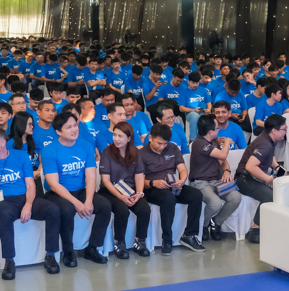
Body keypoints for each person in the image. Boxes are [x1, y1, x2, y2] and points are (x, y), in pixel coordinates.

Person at [0, 127, 62, 278]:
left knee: (53, 209)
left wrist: (28, 205)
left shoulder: (21, 156)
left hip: (25, 197)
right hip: (2, 202)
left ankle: (50, 256)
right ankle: (9, 261)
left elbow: (30, 185)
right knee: (5, 214)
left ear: (2, 143)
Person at [42, 111, 111, 266]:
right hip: (58, 193)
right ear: (58, 131)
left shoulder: (86, 146)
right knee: (67, 209)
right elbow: (53, 184)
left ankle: (92, 248)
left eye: (75, 125)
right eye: (69, 127)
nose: (74, 130)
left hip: (81, 190)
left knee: (105, 206)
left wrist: (88, 200)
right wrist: (77, 203)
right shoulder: (49, 151)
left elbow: (91, 177)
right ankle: (68, 251)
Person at [140, 123, 206, 255]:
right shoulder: (141, 154)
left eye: (165, 144)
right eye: (159, 143)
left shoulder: (172, 148)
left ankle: (189, 235)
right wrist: (153, 183)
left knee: (196, 195)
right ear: (150, 138)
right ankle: (167, 239)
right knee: (168, 198)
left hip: (172, 185)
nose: (162, 147)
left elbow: (182, 169)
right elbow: (139, 180)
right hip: (152, 188)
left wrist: (182, 180)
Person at [97, 121, 152, 259]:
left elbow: (139, 176)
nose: (116, 139)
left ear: (129, 138)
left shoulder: (136, 153)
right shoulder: (107, 153)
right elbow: (106, 181)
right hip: (110, 191)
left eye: (120, 136)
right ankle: (119, 243)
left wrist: (139, 193)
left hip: (130, 189)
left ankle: (140, 241)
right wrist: (121, 197)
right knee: (122, 210)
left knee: (145, 208)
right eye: (114, 135)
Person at [235, 114, 288, 244]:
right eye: (284, 129)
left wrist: (276, 167)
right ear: (274, 130)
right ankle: (255, 229)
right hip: (245, 179)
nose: (286, 132)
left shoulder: (267, 138)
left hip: (252, 177)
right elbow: (250, 166)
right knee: (271, 197)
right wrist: (267, 178)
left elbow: (268, 156)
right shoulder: (265, 144)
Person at [189, 114, 243, 241]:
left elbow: (223, 161)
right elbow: (223, 155)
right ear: (210, 132)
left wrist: (227, 171)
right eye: (217, 128)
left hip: (216, 181)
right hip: (200, 182)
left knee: (236, 197)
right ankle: (205, 225)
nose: (219, 130)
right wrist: (228, 142)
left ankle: (216, 222)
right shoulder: (199, 143)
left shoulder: (213, 141)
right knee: (215, 203)